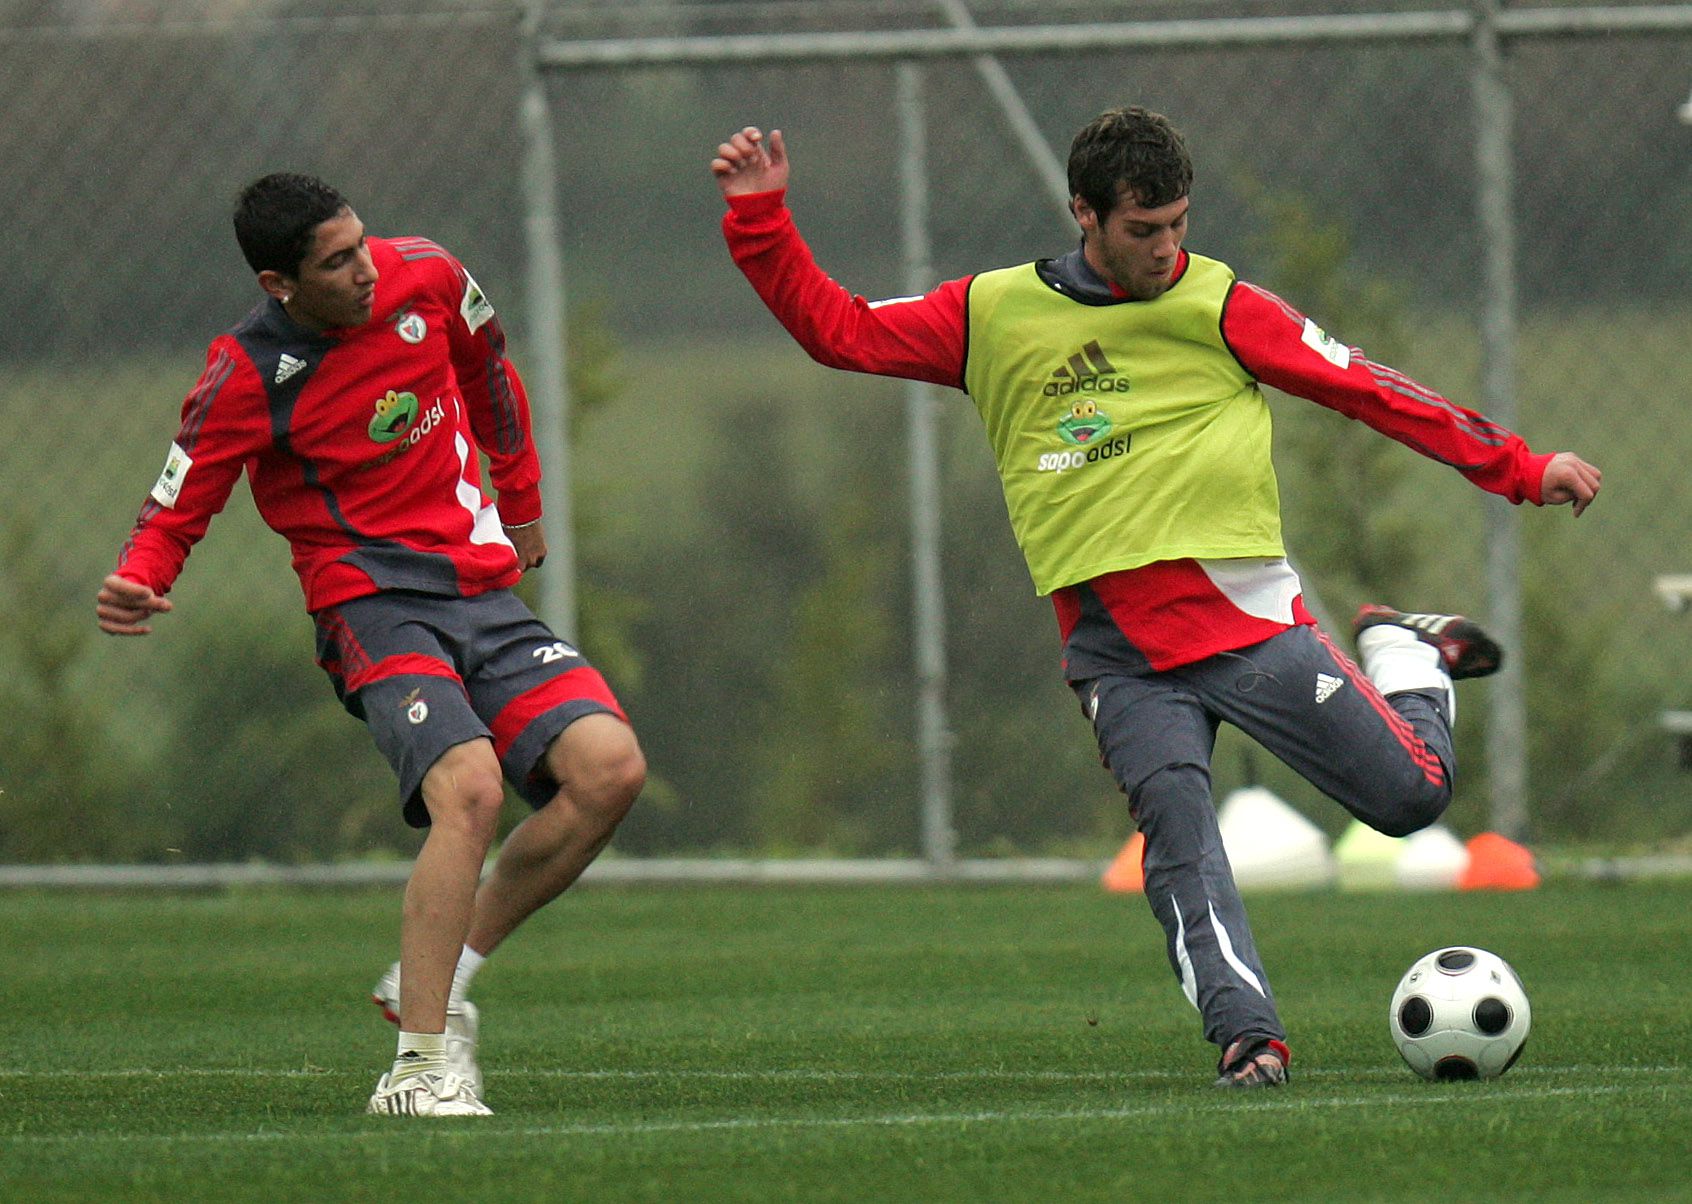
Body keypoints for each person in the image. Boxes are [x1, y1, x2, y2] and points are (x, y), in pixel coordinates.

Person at [710, 109, 1600, 1088]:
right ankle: (1249, 1036)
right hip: (1117, 656)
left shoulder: (1223, 304)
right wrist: (761, 219)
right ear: (1082, 214)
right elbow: (837, 331)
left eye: (1179, 223)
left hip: (1255, 629)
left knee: (1413, 798)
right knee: (1178, 827)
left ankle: (1406, 650)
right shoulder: (990, 315)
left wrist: (1521, 465)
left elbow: (1371, 389)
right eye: (1145, 230)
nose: (1168, 248)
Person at [97, 173, 645, 1117]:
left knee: (609, 771)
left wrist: (519, 503)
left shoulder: (427, 276)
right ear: (280, 284)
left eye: (362, 244)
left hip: (477, 584)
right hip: (370, 602)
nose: (366, 270)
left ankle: (437, 973)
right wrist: (146, 573)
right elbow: (181, 492)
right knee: (469, 789)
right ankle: (419, 1067)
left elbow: (491, 373)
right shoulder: (247, 372)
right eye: (337, 261)